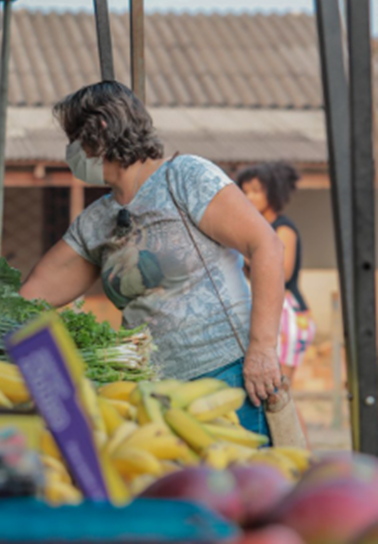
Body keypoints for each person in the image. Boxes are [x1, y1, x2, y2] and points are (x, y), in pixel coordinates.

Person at [19, 80, 285, 437]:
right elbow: (32, 296)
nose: (70, 152)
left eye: (73, 138)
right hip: (152, 392)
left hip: (229, 376)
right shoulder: (96, 222)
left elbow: (266, 246)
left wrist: (262, 350)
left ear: (99, 130)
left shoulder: (185, 177)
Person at [237, 163, 314, 382]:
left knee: (280, 391)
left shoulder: (283, 228)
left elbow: (283, 273)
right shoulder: (258, 229)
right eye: (244, 191)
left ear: (273, 192)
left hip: (289, 313)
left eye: (256, 191)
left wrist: (244, 255)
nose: (249, 197)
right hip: (273, 312)